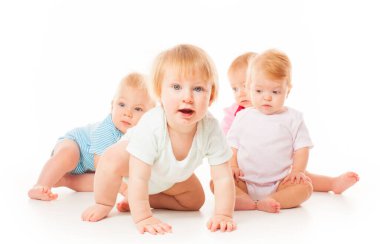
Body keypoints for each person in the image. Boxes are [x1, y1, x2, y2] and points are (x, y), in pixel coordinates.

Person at [82, 44, 236, 234]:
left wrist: (224, 214)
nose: (187, 97)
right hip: (134, 168)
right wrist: (144, 216)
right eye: (176, 87)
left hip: (167, 176)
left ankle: (137, 198)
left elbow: (222, 178)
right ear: (159, 92)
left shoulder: (211, 128)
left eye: (197, 88)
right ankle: (104, 202)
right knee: (111, 159)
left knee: (195, 201)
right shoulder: (152, 124)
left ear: (211, 96)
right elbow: (139, 176)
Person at [223, 52, 359, 196]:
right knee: (219, 184)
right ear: (253, 87)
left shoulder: (292, 118)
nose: (267, 97)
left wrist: (297, 172)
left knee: (305, 186)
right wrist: (232, 166)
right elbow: (231, 145)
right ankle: (246, 200)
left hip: (282, 178)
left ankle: (281, 198)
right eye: (259, 90)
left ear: (287, 91)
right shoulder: (241, 116)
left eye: (275, 91)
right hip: (246, 178)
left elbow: (302, 148)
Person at [28, 73, 155, 201]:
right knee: (69, 155)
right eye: (122, 105)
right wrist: (123, 188)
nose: (127, 113)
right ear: (112, 106)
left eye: (138, 109)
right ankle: (41, 185)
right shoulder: (107, 130)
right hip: (76, 145)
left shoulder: (142, 136)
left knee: (99, 182)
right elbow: (101, 164)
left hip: (90, 169)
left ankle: (65, 180)